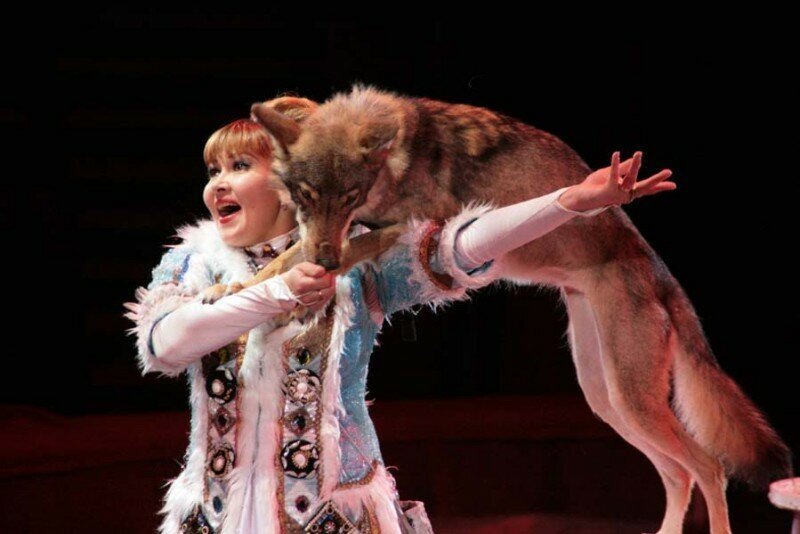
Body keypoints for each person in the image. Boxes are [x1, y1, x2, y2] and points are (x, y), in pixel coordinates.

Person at [124, 109, 674, 534]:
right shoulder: (193, 264)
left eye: (240, 167)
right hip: (215, 517)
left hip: (337, 516)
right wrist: (276, 292)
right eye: (213, 171)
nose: (218, 184)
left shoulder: (359, 260)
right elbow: (165, 344)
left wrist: (568, 201)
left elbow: (461, 245)